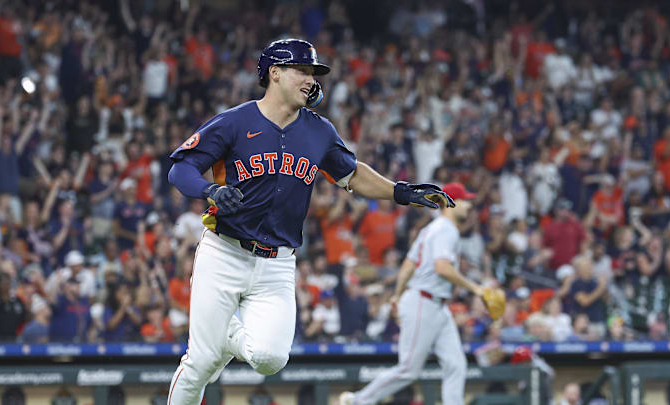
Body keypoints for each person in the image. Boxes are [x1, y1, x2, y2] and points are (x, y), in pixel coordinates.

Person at [165, 38, 454, 405]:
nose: (310, 79)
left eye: (313, 72)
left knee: (271, 359)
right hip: (224, 252)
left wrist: (400, 192)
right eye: (302, 70)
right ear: (275, 73)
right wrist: (210, 191)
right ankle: (216, 343)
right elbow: (181, 169)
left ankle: (224, 336)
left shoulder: (318, 131)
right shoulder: (236, 122)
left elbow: (352, 174)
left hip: (277, 263)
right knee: (201, 362)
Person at [340, 183, 486, 405]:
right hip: (423, 301)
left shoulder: (431, 229)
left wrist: (397, 295)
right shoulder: (446, 229)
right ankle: (358, 400)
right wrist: (477, 289)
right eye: (464, 200)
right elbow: (442, 268)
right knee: (408, 369)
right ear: (450, 203)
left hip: (435, 305)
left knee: (456, 364)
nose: (469, 205)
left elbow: (408, 264)